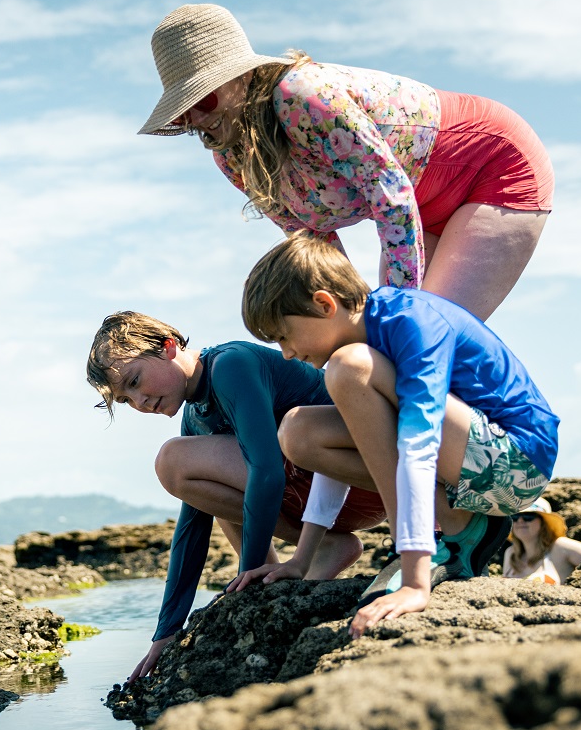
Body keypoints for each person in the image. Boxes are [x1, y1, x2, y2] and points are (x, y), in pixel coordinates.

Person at [139, 4, 553, 321]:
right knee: (377, 349)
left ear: (241, 77)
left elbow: (391, 198)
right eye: (182, 113)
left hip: (489, 165)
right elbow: (313, 244)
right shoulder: (231, 157)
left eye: (203, 100)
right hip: (417, 207)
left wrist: (388, 320)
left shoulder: (303, 96)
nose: (195, 120)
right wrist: (346, 320)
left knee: (420, 335)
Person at [240, 234, 559, 639]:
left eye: (284, 335)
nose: (285, 352)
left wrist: (413, 580)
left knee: (349, 367)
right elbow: (357, 449)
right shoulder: (360, 351)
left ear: (324, 304)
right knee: (300, 431)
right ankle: (456, 522)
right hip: (470, 461)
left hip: (518, 465)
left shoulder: (408, 320)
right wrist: (302, 559)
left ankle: (442, 533)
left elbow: (419, 447)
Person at [85, 311, 384, 682]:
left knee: (174, 460)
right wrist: (166, 630)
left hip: (366, 473)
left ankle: (259, 572)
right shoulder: (194, 416)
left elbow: (268, 470)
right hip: (325, 505)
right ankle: (319, 554)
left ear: (167, 347)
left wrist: (245, 579)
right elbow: (192, 525)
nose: (140, 401)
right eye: (125, 399)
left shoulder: (231, 365)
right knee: (202, 486)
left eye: (135, 381)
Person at [502, 497, 581, 585]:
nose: (520, 521)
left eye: (528, 516)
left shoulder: (561, 546)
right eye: (515, 516)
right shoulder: (511, 554)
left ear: (544, 522)